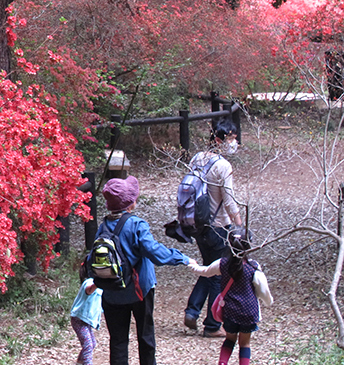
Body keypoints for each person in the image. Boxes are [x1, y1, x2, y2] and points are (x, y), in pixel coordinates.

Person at [97, 175, 196, 365]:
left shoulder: (103, 227)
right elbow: (154, 251)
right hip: (139, 290)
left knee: (118, 342)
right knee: (146, 337)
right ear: (130, 204)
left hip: (111, 291)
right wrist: (181, 258)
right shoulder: (136, 225)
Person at [184, 118, 244, 338]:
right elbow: (229, 201)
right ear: (219, 140)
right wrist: (240, 227)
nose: (233, 143)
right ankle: (212, 325)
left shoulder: (197, 158)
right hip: (218, 226)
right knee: (218, 273)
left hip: (197, 224)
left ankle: (192, 311)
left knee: (209, 267)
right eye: (230, 139)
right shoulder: (223, 166)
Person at [189, 228, 273, 365]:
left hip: (229, 310)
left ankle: (222, 363)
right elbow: (263, 290)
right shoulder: (253, 267)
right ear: (249, 245)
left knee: (229, 339)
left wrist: (192, 265)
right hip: (249, 311)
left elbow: (205, 271)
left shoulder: (222, 264)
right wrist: (269, 302)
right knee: (245, 344)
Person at [71, 278, 103, 365]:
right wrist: (98, 283)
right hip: (78, 319)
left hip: (86, 321)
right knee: (88, 345)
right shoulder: (89, 282)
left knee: (92, 343)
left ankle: (79, 362)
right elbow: (88, 290)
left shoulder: (102, 288)